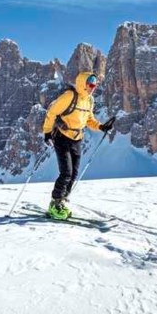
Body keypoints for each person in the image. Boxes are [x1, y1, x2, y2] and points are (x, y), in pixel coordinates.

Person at [42, 72, 114, 219]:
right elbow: (52, 112)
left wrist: (101, 127)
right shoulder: (69, 96)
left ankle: (62, 200)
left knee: (74, 173)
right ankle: (54, 204)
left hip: (77, 138)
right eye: (91, 84)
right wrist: (47, 132)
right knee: (66, 172)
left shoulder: (89, 101)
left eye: (95, 85)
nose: (93, 88)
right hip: (62, 136)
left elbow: (88, 119)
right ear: (83, 83)